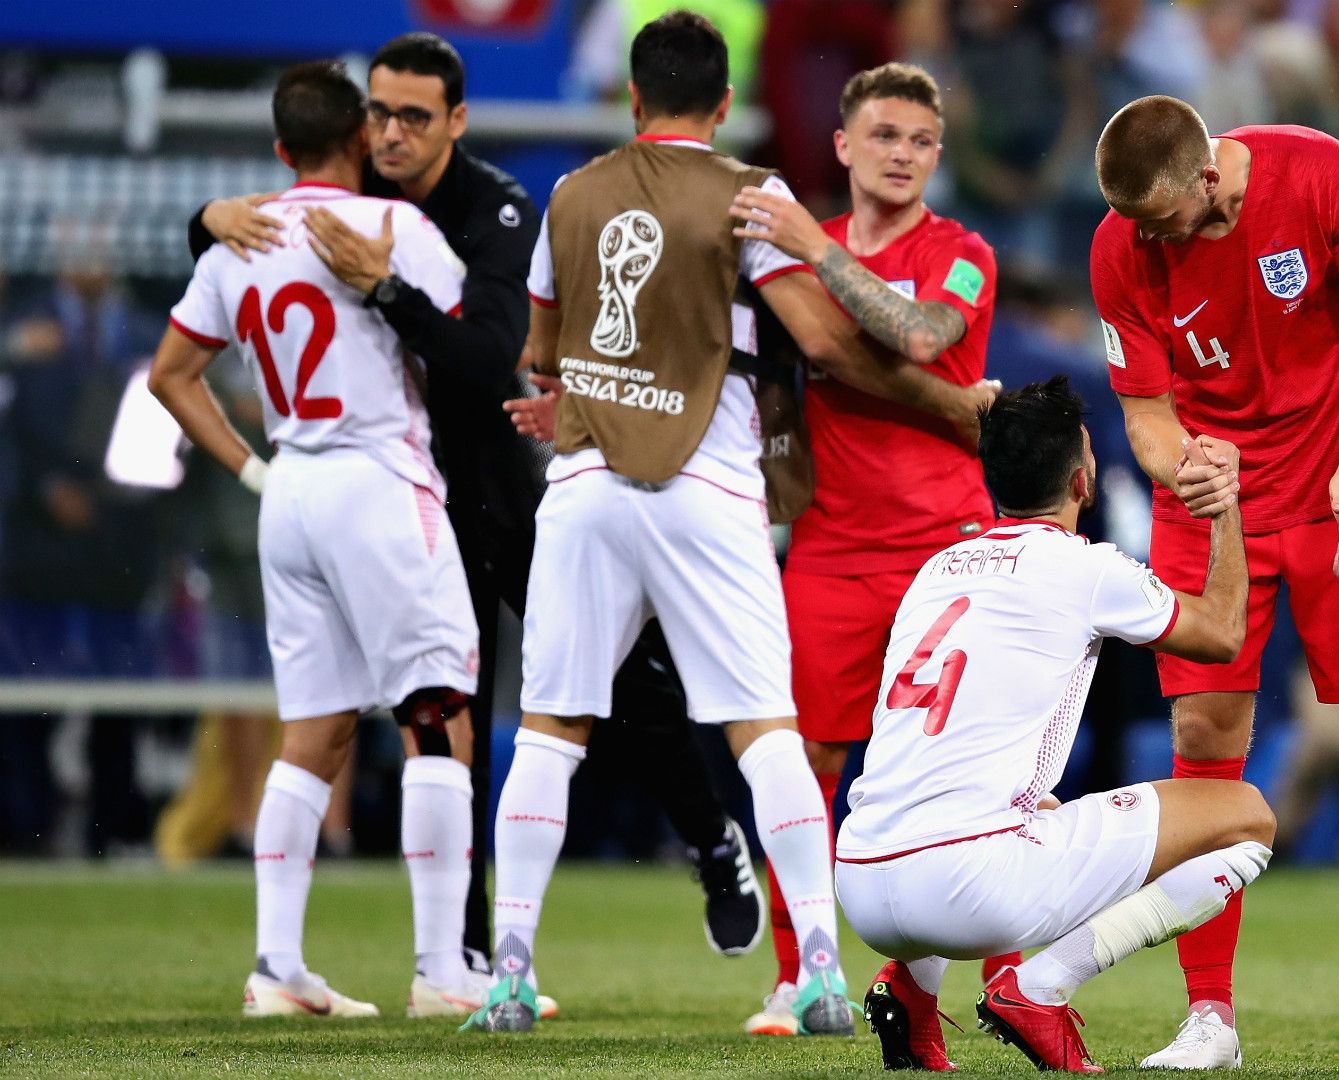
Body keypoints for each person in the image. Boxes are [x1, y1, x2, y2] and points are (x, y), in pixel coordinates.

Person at [190, 33, 764, 1010]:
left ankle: (713, 843)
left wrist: (387, 290)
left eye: (415, 116)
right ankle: (457, 956)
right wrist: (204, 218)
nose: (392, 133)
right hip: (395, 502)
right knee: (444, 722)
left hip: (495, 492)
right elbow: (236, 247)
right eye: (380, 112)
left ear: (457, 121)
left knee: (622, 681)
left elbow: (491, 354)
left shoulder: (494, 210)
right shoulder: (347, 189)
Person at [465, 11, 990, 1034]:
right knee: (765, 729)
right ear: (721, 105)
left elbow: (540, 353)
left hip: (584, 484)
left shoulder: (571, 194)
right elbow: (825, 346)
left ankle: (513, 972)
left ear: (631, 96)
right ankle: (825, 968)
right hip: (708, 489)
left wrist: (596, 390)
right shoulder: (757, 195)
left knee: (551, 729)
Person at [1088, 95, 1339, 1068]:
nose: (1144, 236)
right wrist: (1179, 465)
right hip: (1216, 507)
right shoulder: (1120, 248)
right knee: (1203, 741)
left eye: (1160, 216)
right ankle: (1208, 1017)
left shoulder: (1319, 174)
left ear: (1207, 179)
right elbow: (1144, 412)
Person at [149, 60, 479, 1019]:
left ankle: (277, 968)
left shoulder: (236, 242)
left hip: (289, 491)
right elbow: (468, 351)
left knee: (318, 729)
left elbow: (172, 375)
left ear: (283, 149)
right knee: (438, 716)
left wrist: (253, 471)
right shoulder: (396, 228)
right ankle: (439, 971)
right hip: (379, 482)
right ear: (360, 138)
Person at [835, 376, 1274, 1074]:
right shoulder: (1083, 566)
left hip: (858, 880)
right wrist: (1226, 510)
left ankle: (912, 992)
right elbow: (1221, 634)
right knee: (1246, 818)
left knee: (1010, 805)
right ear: (1081, 479)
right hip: (967, 887)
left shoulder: (936, 568)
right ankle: (1041, 988)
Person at [724, 59, 1018, 1035]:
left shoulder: (963, 251)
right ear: (845, 145)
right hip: (832, 547)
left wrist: (812, 241)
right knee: (802, 758)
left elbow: (924, 336)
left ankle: (996, 979)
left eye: (921, 141)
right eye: (884, 136)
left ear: (939, 154)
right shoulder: (792, 256)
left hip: (953, 545)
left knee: (967, 769)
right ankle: (799, 973)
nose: (903, 155)